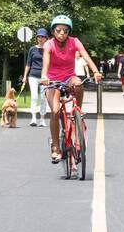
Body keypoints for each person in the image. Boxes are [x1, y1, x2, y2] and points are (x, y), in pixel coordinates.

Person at [40, 15, 102, 164]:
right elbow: (46, 63)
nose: (62, 33)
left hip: (69, 78)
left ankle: (77, 114)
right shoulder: (48, 45)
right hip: (52, 81)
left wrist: (95, 72)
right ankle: (55, 147)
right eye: (59, 30)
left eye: (65, 31)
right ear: (53, 31)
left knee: (78, 83)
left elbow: (86, 57)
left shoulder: (74, 42)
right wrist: (43, 76)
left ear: (69, 32)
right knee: (55, 111)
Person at [19, 28, 48, 127]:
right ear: (37, 38)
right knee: (34, 97)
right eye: (39, 37)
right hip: (33, 76)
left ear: (46, 38)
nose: (40, 38)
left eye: (43, 37)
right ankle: (33, 118)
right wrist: (25, 76)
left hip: (44, 77)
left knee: (43, 98)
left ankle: (42, 119)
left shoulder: (48, 49)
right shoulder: (32, 49)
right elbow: (28, 64)